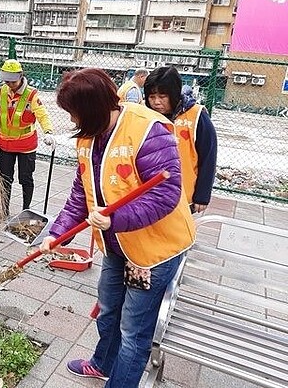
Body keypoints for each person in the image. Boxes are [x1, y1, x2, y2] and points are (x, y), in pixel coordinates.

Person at [39, 68, 195, 388]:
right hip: (116, 245)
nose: (72, 122)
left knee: (133, 330)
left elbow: (166, 195)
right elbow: (81, 194)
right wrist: (57, 233)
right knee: (109, 309)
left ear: (94, 109)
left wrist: (115, 219)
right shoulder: (88, 136)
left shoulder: (148, 130)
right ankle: (102, 363)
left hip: (152, 252)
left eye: (75, 114)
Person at [0, 59, 54, 217]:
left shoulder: (31, 95)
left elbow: (42, 115)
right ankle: (4, 209)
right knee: (5, 178)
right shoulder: (2, 91)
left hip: (25, 146)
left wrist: (48, 132)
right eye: (6, 80)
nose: (9, 83)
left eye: (12, 80)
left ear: (21, 76)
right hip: (5, 144)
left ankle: (25, 210)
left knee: (25, 179)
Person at [144, 66, 217, 213]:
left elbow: (209, 156)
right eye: (152, 97)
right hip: (150, 195)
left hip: (183, 195)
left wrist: (202, 195)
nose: (156, 102)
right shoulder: (145, 116)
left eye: (162, 96)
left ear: (174, 93)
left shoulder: (197, 116)